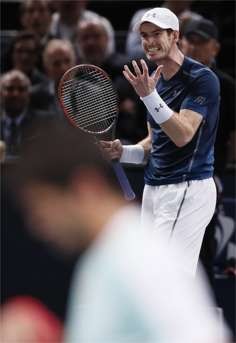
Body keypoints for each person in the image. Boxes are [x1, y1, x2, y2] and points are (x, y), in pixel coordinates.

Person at [10, 120, 230, 342]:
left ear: (84, 188)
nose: (37, 226)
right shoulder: (107, 255)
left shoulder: (136, 257)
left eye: (41, 208)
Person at [101, 7, 220, 276]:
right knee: (147, 278)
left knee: (167, 278)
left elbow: (183, 135)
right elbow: (156, 143)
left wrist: (149, 97)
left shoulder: (202, 79)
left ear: (175, 35)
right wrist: (124, 152)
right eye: (144, 35)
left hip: (187, 188)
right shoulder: (156, 83)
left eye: (156, 34)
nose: (149, 41)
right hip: (154, 189)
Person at [183, 17, 236, 175]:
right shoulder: (167, 80)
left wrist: (221, 168)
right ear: (180, 44)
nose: (194, 47)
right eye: (191, 40)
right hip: (168, 173)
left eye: (201, 42)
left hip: (209, 173)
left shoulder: (227, 86)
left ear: (215, 48)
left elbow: (234, 135)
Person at [0, 70, 53, 158]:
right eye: (10, 89)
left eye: (21, 89)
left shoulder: (47, 123)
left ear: (28, 94)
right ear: (0, 93)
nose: (15, 94)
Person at [31, 39, 76, 115]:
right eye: (56, 64)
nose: (63, 68)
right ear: (46, 68)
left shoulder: (90, 93)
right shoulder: (33, 97)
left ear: (74, 63)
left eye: (67, 61)